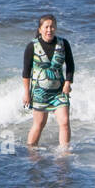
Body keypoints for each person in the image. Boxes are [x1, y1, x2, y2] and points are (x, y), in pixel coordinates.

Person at [22, 14, 73, 148]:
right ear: (40, 29)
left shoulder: (63, 44)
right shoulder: (32, 46)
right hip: (39, 92)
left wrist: (68, 83)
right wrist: (26, 93)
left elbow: (70, 66)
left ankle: (64, 153)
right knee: (39, 124)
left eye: (52, 27)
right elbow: (26, 72)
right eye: (46, 27)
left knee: (65, 122)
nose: (49, 30)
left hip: (59, 91)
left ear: (55, 28)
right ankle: (31, 150)